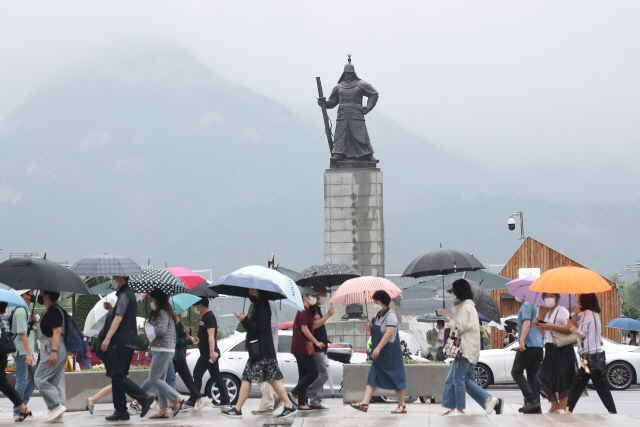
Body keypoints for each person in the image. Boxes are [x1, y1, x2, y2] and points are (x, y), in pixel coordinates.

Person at [221, 289, 297, 418]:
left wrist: (244, 320)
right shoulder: (258, 305)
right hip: (260, 351)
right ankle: (288, 405)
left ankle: (288, 405)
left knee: (262, 379)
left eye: (253, 291)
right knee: (263, 379)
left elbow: (260, 328)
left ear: (260, 291)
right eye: (249, 290)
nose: (250, 293)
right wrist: (244, 320)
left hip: (262, 352)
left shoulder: (263, 306)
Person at [439, 279, 503, 416]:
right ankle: (487, 401)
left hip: (464, 350)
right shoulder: (467, 307)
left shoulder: (465, 308)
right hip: (470, 349)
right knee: (461, 379)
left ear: (459, 292)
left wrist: (447, 318)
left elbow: (458, 328)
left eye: (453, 291)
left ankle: (462, 407)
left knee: (458, 379)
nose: (452, 294)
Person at [101, 276, 155, 421]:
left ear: (120, 278)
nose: (113, 280)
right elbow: (121, 315)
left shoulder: (124, 295)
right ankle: (121, 411)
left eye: (114, 278)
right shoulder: (126, 294)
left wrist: (107, 338)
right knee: (118, 376)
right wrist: (112, 309)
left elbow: (118, 319)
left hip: (123, 342)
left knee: (117, 375)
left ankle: (144, 398)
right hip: (126, 341)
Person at [349, 290, 408, 414]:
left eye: (375, 300)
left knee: (396, 377)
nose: (373, 302)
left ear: (382, 301)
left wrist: (378, 348)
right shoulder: (377, 316)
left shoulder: (390, 315)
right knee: (373, 377)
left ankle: (402, 405)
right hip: (379, 354)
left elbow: (389, 333)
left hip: (390, 353)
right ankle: (365, 403)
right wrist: (369, 330)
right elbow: (376, 334)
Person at [567, 294, 617, 414]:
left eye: (580, 299)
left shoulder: (587, 313)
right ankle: (569, 408)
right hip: (592, 354)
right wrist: (575, 316)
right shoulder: (594, 314)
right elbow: (580, 327)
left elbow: (581, 333)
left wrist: (572, 327)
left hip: (590, 355)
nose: (578, 301)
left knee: (585, 384)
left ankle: (568, 409)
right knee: (582, 383)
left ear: (585, 301)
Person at [534, 292, 576, 413]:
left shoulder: (562, 310)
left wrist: (552, 326)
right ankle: (555, 404)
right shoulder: (547, 314)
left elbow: (570, 328)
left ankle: (563, 407)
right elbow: (547, 334)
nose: (548, 299)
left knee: (561, 380)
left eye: (551, 296)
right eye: (546, 296)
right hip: (550, 348)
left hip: (561, 349)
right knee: (542, 377)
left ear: (557, 297)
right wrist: (538, 326)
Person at [33, 291, 68, 423]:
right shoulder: (50, 311)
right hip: (54, 347)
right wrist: (35, 323)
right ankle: (58, 413)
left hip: (53, 348)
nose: (40, 296)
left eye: (41, 293)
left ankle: (56, 405)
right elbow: (45, 332)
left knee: (39, 378)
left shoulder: (53, 311)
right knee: (56, 380)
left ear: (47, 295)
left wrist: (53, 351)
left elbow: (57, 331)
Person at [191, 297, 230, 408]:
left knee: (197, 374)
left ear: (201, 305)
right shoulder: (205, 317)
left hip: (208, 353)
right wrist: (195, 332)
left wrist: (212, 352)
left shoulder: (209, 316)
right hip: (207, 352)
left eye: (196, 305)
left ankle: (193, 399)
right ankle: (225, 400)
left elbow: (211, 335)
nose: (195, 308)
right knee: (216, 375)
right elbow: (205, 333)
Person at [288, 288, 324, 410]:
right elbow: (304, 329)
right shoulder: (303, 310)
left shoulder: (307, 311)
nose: (314, 297)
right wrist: (316, 342)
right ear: (305, 297)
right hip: (302, 347)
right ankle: (293, 393)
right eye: (312, 295)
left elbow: (312, 325)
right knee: (313, 373)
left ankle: (302, 402)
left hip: (300, 347)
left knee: (303, 375)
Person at [0, 302, 32, 421]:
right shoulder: (5, 319)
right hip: (3, 355)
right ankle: (21, 406)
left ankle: (21, 406)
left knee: (3, 383)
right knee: (3, 383)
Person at [511, 297, 544, 414]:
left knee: (516, 372)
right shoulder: (535, 306)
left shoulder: (526, 305)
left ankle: (531, 400)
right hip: (538, 346)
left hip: (528, 345)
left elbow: (526, 323)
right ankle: (535, 405)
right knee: (532, 376)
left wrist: (521, 340)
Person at [176, 309, 212, 411]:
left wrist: (190, 335)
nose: (183, 312)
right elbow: (175, 340)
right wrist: (189, 340)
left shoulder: (178, 323)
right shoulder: (174, 324)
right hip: (176, 357)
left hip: (180, 357)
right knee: (166, 380)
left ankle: (199, 400)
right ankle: (158, 401)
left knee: (189, 381)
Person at [306, 285, 335, 411]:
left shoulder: (317, 308)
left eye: (325, 295)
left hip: (321, 346)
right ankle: (305, 391)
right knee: (323, 374)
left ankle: (316, 401)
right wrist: (328, 315)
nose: (324, 297)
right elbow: (314, 326)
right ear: (316, 295)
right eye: (322, 294)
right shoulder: (311, 309)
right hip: (315, 347)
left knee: (320, 374)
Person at [252, 300, 282, 416]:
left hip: (266, 348)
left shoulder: (268, 304)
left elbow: (273, 323)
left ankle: (267, 405)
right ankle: (276, 396)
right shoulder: (259, 304)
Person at [11, 289, 37, 419]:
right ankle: (18, 408)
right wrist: (28, 354)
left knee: (35, 377)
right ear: (24, 295)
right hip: (22, 351)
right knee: (21, 379)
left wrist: (32, 323)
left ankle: (23, 404)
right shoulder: (21, 311)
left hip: (26, 351)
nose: (33, 295)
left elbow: (27, 331)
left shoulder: (26, 311)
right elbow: (22, 334)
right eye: (31, 293)